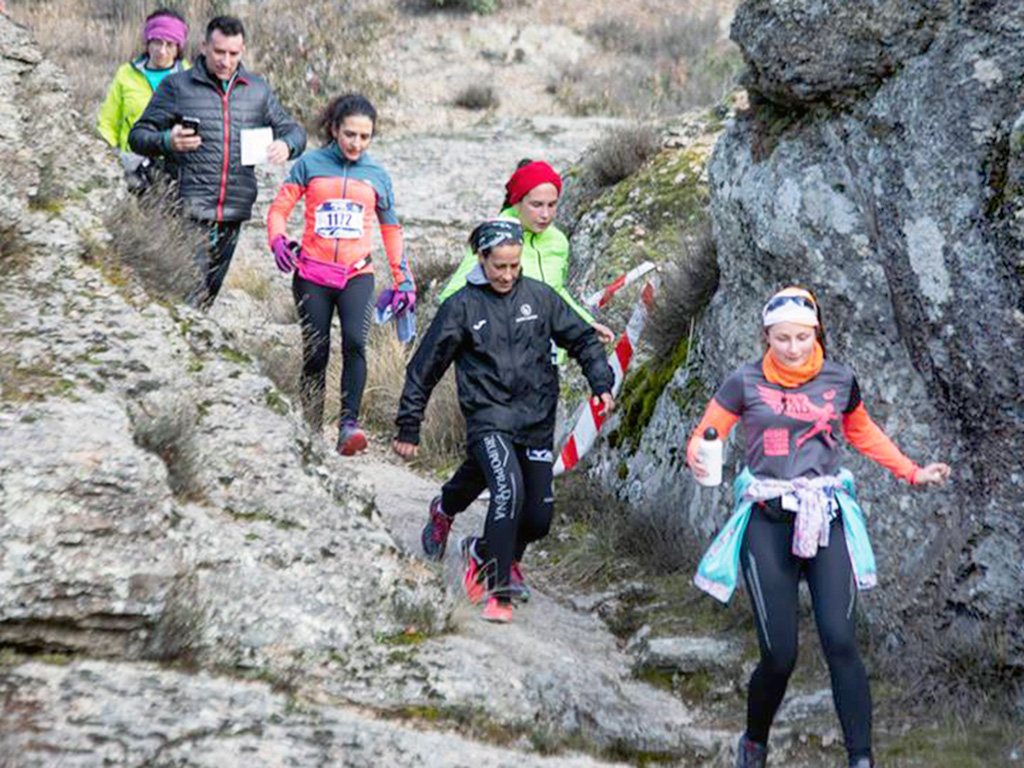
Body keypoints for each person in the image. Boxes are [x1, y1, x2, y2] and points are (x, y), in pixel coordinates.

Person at [686, 286, 951, 768]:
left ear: (816, 333)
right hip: (767, 523)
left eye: (803, 338)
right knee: (780, 654)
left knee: (841, 640)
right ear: (766, 336)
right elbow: (707, 433)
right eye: (782, 339)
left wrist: (912, 471)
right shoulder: (742, 382)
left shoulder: (839, 379)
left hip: (825, 519)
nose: (793, 348)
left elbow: (862, 431)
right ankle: (754, 741)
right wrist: (703, 455)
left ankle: (861, 759)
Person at [394, 218, 614, 623]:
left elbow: (582, 337)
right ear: (481, 259)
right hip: (487, 415)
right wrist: (409, 425)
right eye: (499, 266)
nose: (508, 275)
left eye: (515, 266)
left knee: (537, 518)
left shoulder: (540, 297)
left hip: (535, 418)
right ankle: (498, 589)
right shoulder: (461, 306)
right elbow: (424, 368)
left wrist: (600, 381)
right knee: (507, 492)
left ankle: (469, 536)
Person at [267, 93, 414, 456]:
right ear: (334, 129)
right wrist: (277, 240)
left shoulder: (377, 176)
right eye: (350, 134)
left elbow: (391, 230)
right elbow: (278, 210)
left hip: (356, 274)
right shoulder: (310, 164)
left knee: (355, 343)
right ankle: (311, 430)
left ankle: (349, 426)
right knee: (316, 352)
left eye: (365, 137)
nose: (356, 143)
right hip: (311, 274)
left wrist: (403, 279)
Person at [129, 15, 306, 309]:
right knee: (186, 296)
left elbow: (295, 131)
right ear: (203, 47)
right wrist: (166, 141)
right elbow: (138, 135)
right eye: (219, 52)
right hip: (186, 210)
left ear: (243, 51)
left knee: (206, 298)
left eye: (233, 54)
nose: (226, 61)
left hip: (233, 211)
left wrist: (287, 145)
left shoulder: (258, 90)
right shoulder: (177, 86)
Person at [97, 8, 191, 191]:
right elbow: (108, 123)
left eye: (170, 45)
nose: (162, 51)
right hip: (131, 168)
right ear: (147, 42)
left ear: (178, 48)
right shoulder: (126, 74)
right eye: (157, 42)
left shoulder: (189, 77)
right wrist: (108, 159)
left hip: (175, 171)